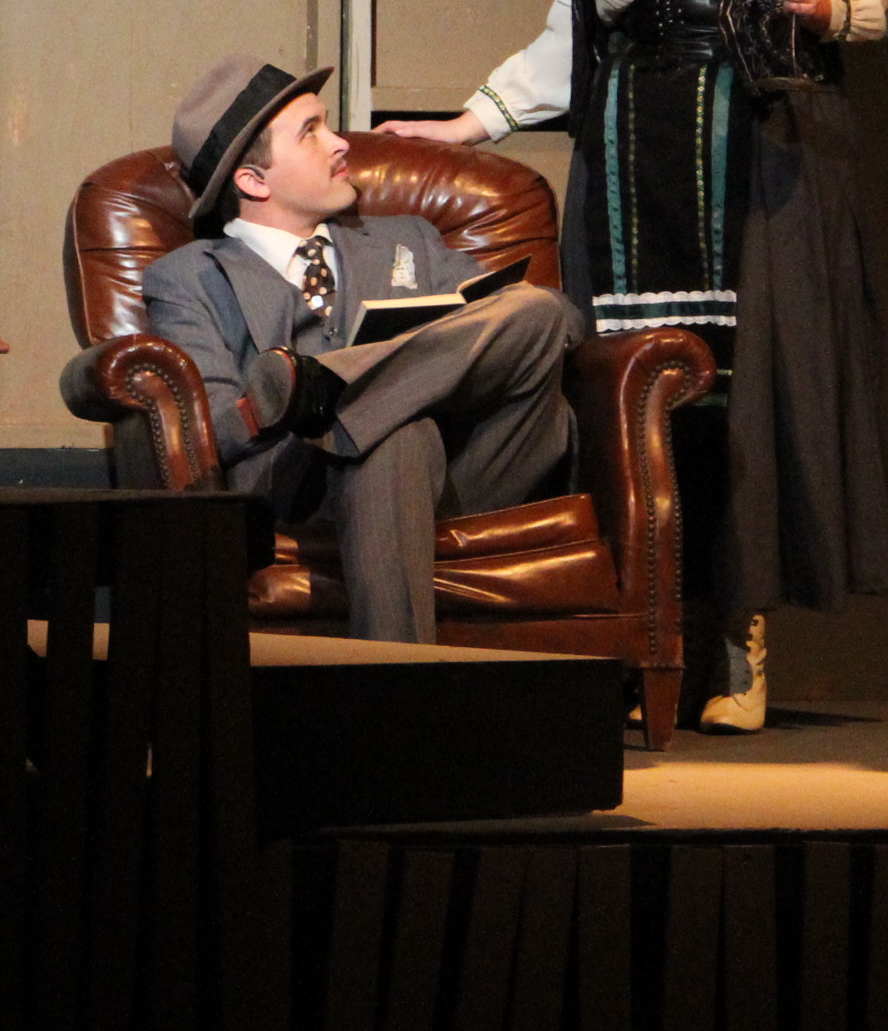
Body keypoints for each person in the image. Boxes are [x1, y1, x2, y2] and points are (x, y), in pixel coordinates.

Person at [378, 0, 888, 728]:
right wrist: (468, 123)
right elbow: (567, 36)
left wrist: (823, 2)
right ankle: (641, 635)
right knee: (635, 392)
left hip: (750, 152)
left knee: (739, 394)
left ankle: (737, 641)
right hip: (627, 158)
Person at [140, 54, 584, 644]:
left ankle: (329, 384)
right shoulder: (190, 277)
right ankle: (395, 694)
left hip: (466, 472)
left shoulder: (409, 239)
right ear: (253, 181)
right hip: (305, 489)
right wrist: (276, 409)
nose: (340, 142)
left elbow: (557, 327)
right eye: (311, 132)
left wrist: (342, 388)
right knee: (391, 435)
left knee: (537, 309)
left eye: (328, 124)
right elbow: (215, 429)